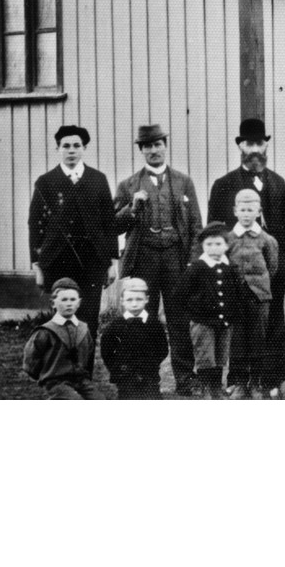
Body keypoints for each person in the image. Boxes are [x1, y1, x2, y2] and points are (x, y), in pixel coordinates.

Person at [112, 123, 203, 393]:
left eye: (158, 144)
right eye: (148, 146)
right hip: (144, 258)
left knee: (179, 318)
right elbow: (114, 225)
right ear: (141, 150)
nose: (154, 150)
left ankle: (185, 379)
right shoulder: (128, 185)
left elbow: (196, 225)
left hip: (176, 258)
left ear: (165, 146)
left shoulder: (183, 181)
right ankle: (145, 377)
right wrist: (132, 207)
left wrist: (192, 261)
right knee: (144, 318)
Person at [27, 125, 118, 344]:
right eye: (66, 146)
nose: (71, 150)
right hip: (58, 261)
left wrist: (112, 262)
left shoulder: (98, 179)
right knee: (62, 319)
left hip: (92, 262)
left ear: (84, 148)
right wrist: (38, 266)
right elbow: (36, 224)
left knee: (89, 319)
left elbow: (108, 223)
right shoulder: (45, 182)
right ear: (58, 148)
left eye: (76, 145)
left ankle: (84, 365)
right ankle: (62, 364)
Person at [208, 117, 285, 314]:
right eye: (249, 144)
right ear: (240, 146)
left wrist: (282, 269)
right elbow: (214, 232)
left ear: (266, 146)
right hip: (239, 274)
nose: (255, 149)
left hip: (273, 273)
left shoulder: (278, 183)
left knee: (273, 322)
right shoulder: (223, 185)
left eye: (259, 143)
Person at [225, 188, 280, 397]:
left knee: (258, 339)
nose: (246, 214)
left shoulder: (267, 240)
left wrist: (258, 285)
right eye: (242, 210)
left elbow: (272, 267)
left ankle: (256, 382)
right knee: (237, 339)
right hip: (235, 297)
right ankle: (238, 382)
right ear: (235, 211)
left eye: (251, 210)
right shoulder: (228, 239)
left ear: (258, 212)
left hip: (259, 297)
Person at [22, 277, 109, 399]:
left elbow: (87, 352)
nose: (69, 303)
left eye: (73, 299)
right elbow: (31, 359)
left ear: (78, 303)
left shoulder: (83, 329)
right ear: (53, 303)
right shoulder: (46, 331)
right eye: (64, 299)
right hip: (55, 382)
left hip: (80, 380)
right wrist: (45, 376)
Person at [180, 222, 241, 398]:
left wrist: (234, 314)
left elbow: (237, 293)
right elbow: (180, 294)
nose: (214, 248)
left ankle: (216, 388)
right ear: (202, 246)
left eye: (218, 244)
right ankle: (206, 387)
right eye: (209, 244)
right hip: (203, 322)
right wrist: (192, 314)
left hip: (225, 322)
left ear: (227, 245)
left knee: (221, 356)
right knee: (205, 356)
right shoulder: (196, 268)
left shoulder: (230, 268)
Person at [100, 277, 168, 400]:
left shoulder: (154, 324)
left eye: (139, 299)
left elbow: (162, 348)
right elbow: (107, 351)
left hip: (149, 376)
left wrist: (152, 364)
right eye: (129, 300)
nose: (134, 304)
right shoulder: (115, 326)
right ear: (122, 301)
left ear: (147, 299)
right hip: (125, 376)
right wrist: (118, 368)